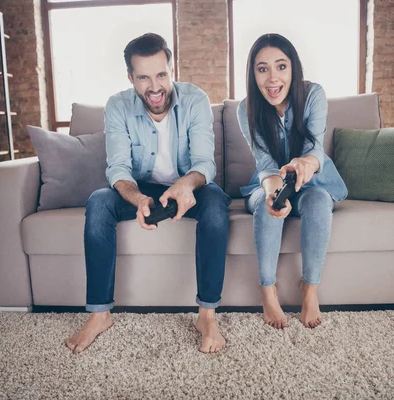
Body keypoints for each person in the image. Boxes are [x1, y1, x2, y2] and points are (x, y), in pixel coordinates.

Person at [66, 33, 231, 354]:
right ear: (131, 78)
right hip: (141, 189)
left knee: (215, 205)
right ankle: (100, 315)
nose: (154, 87)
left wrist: (185, 184)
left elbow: (204, 164)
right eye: (143, 77)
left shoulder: (195, 100)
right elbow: (118, 169)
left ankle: (207, 316)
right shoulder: (117, 106)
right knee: (98, 202)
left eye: (161, 75)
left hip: (189, 185)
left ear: (171, 70)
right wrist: (139, 199)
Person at [237, 33, 348, 330]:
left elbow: (315, 146)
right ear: (253, 74)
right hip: (269, 180)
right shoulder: (245, 109)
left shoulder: (313, 95)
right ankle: (268, 290)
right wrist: (273, 191)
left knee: (319, 200)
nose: (273, 79)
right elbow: (265, 162)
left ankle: (309, 288)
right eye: (262, 69)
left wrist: (306, 163)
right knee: (265, 205)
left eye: (281, 67)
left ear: (293, 68)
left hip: (313, 181)